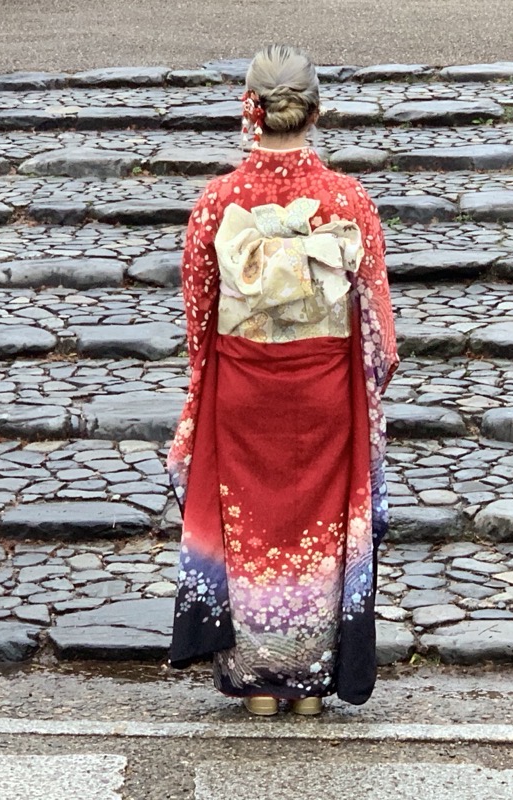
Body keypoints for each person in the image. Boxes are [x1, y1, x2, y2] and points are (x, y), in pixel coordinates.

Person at [167, 44, 398, 716]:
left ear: (252, 111)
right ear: (316, 111)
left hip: (244, 387)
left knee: (254, 532)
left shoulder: (219, 201)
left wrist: (206, 378)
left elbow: (199, 310)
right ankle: (310, 687)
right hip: (321, 389)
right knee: (319, 529)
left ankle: (258, 686)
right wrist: (366, 383)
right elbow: (378, 326)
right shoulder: (347, 199)